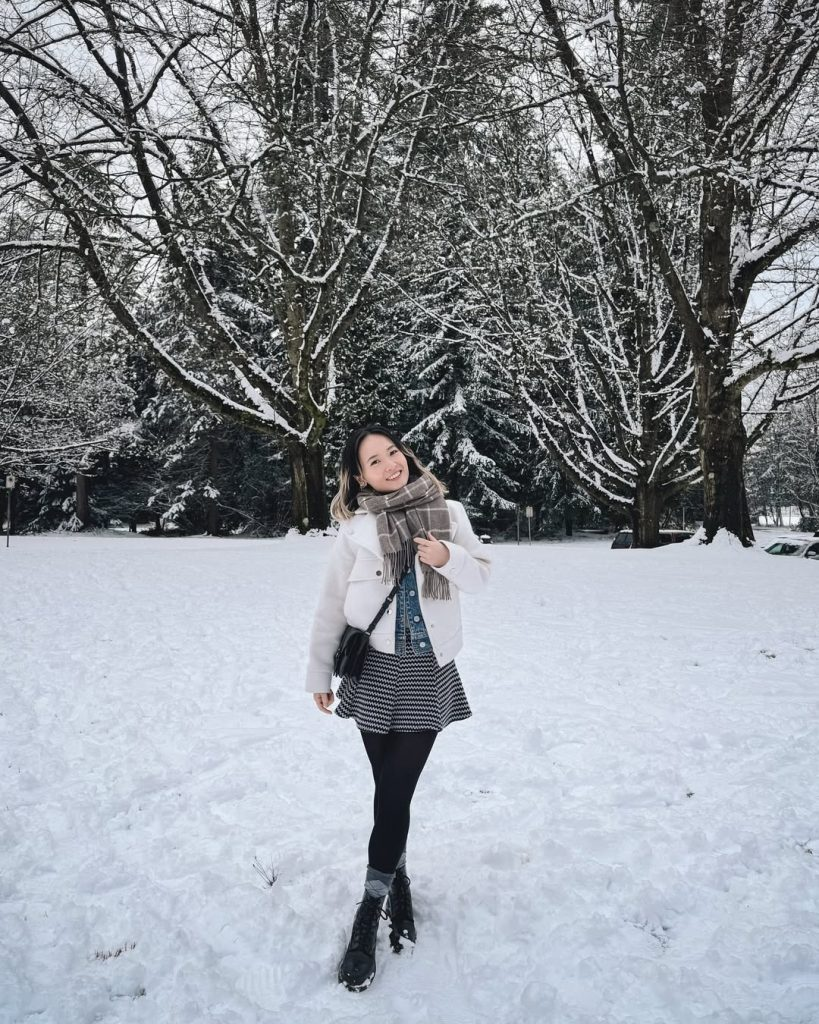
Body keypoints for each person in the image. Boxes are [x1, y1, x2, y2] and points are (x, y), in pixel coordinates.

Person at [304, 424, 491, 992]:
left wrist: (447, 556)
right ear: (358, 476)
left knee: (394, 792)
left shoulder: (449, 513)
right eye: (374, 461)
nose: (390, 464)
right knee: (390, 791)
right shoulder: (355, 530)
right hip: (373, 672)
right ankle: (397, 879)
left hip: (427, 673)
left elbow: (481, 576)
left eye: (393, 453)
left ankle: (368, 909)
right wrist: (318, 672)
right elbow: (332, 605)